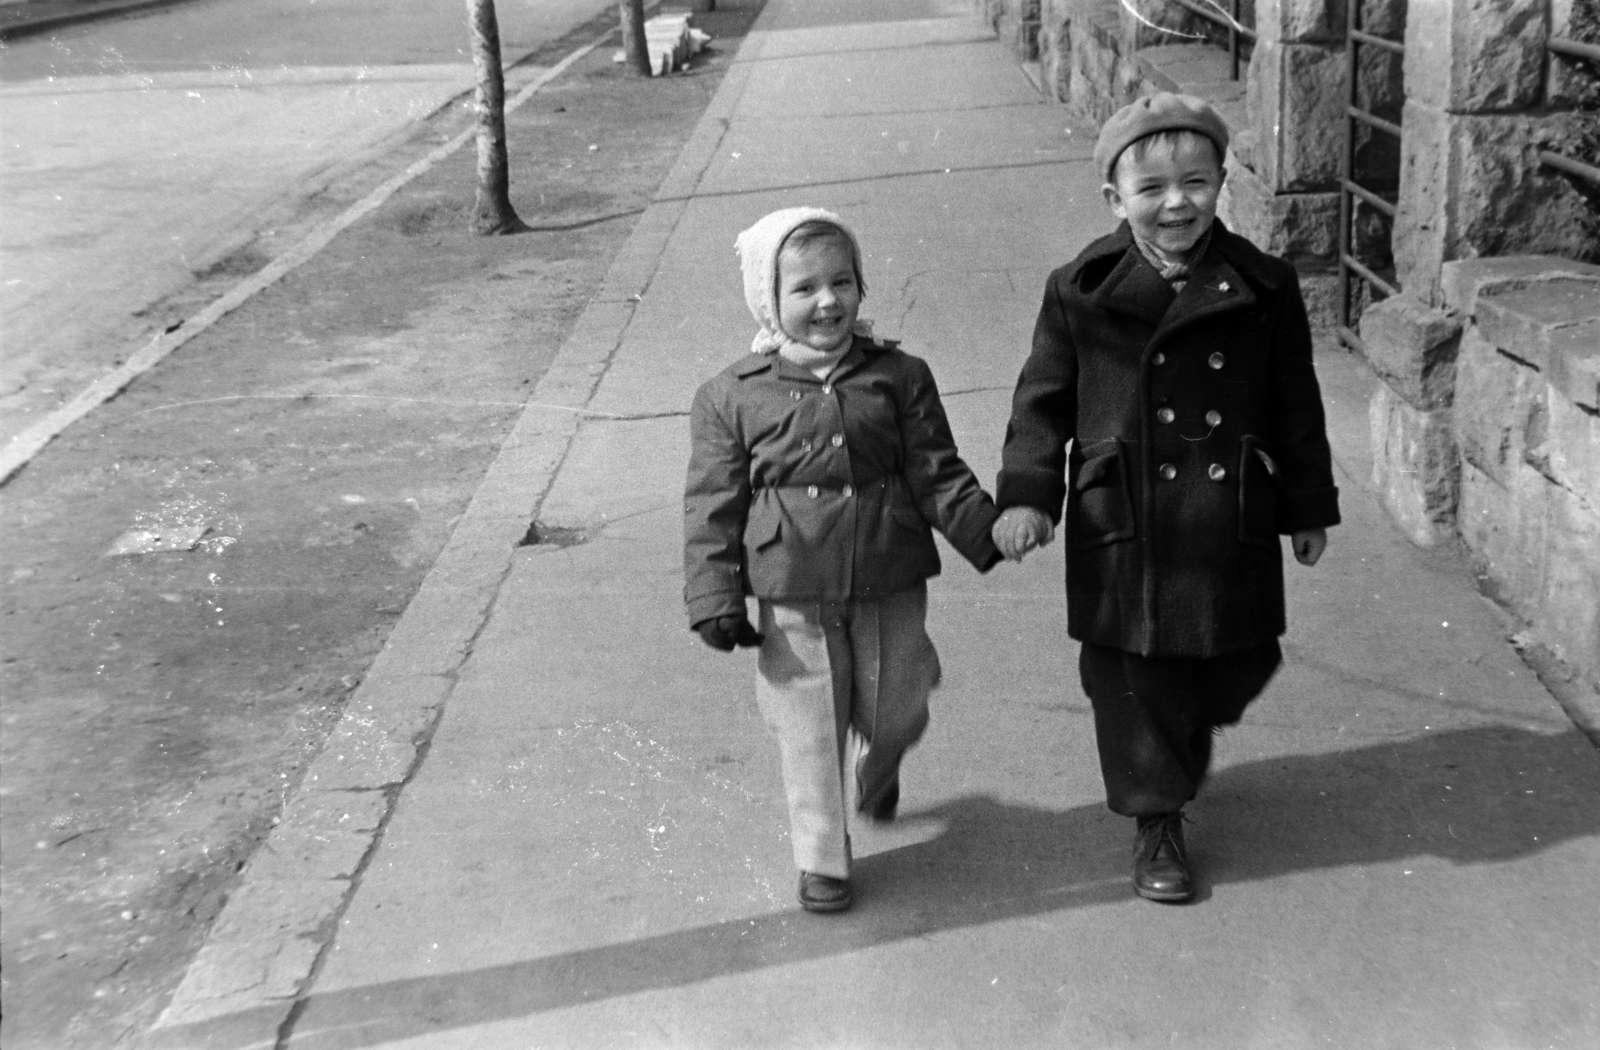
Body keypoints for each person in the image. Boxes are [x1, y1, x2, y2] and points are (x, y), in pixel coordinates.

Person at [991, 93, 1341, 903]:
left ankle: (1185, 724)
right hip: (1129, 520)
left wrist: (1308, 506)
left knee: (1239, 663)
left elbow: (1297, 400)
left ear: (1223, 182)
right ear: (1116, 200)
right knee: (1133, 675)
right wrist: (1028, 495)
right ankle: (1158, 825)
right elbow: (1039, 401)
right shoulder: (1080, 288)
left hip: (1228, 516)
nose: (1175, 202)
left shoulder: (1264, 284)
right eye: (1151, 189)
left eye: (1195, 181)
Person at [684, 207, 1002, 913]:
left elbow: (937, 470)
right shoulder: (729, 396)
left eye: (842, 281)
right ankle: (822, 857)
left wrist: (986, 528)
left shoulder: (900, 375)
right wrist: (713, 595)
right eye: (804, 289)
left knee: (898, 701)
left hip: (890, 574)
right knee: (808, 726)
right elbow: (711, 504)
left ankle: (882, 758)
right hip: (791, 588)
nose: (827, 301)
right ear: (769, 298)